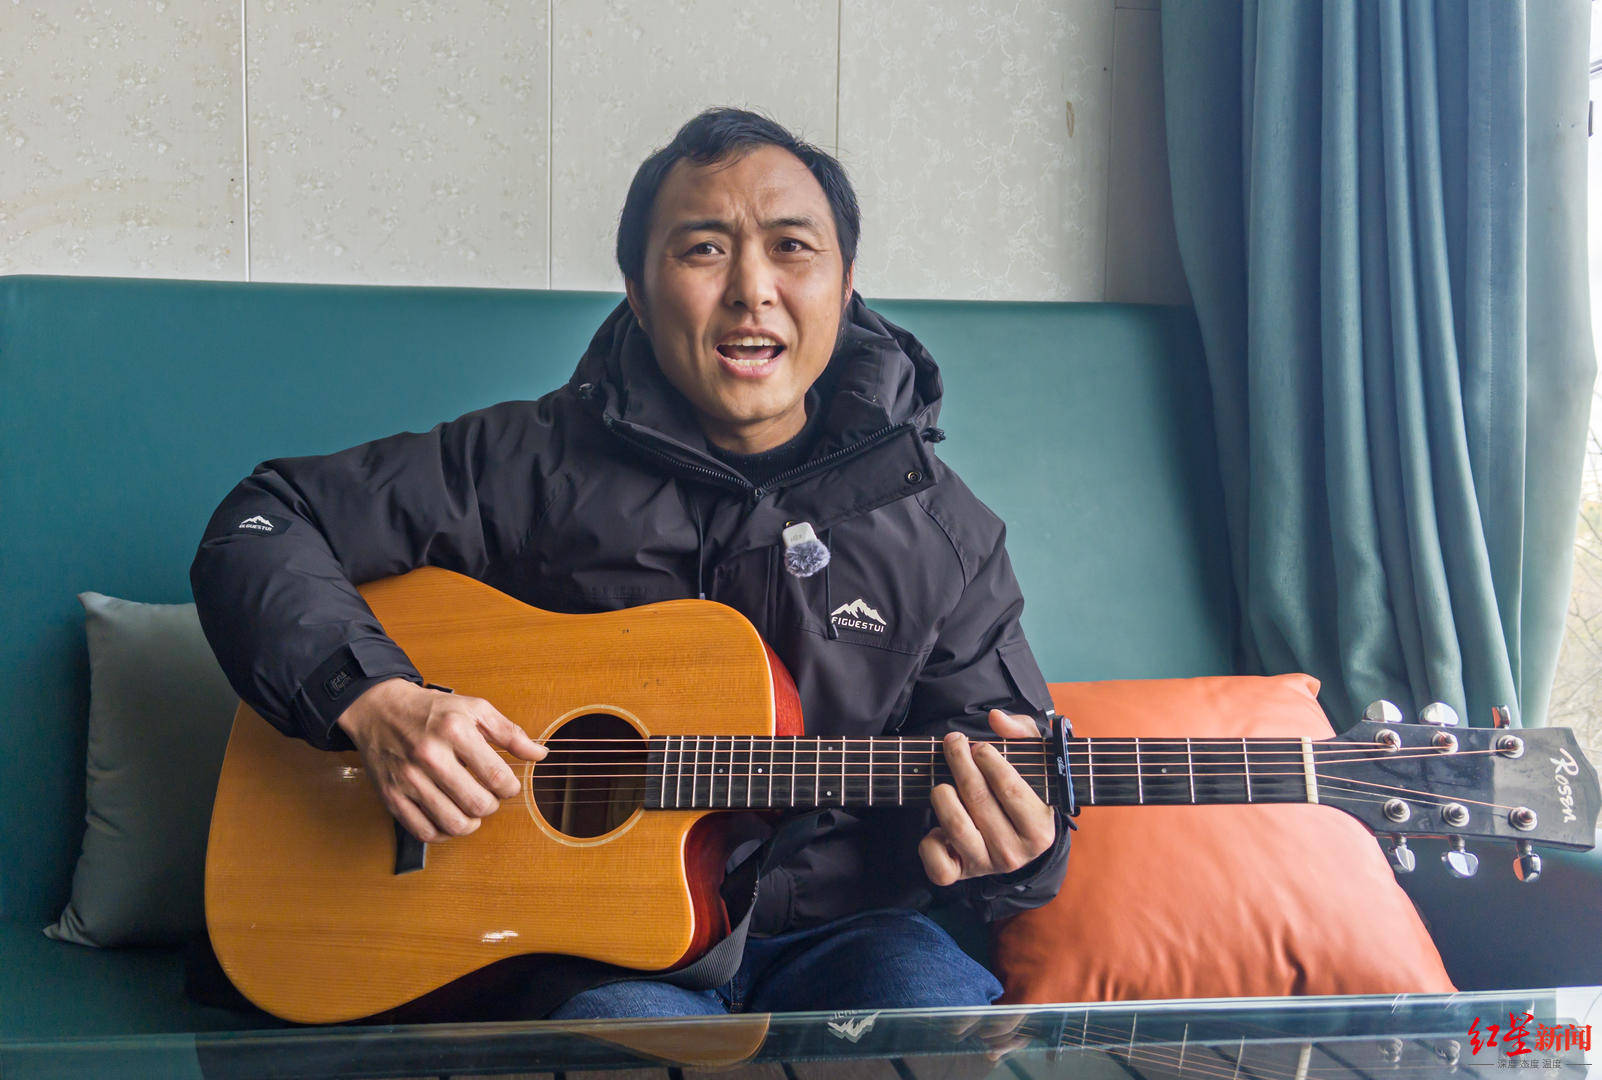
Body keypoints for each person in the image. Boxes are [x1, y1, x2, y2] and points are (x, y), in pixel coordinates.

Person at [191, 107, 1069, 1020]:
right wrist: (375, 700)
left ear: (846, 285)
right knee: (623, 1040)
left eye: (793, 248)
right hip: (590, 951)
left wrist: (1023, 851)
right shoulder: (526, 464)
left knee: (932, 1022)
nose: (753, 290)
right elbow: (263, 520)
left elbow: (1005, 777)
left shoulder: (948, 536)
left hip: (846, 937)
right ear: (638, 294)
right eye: (704, 249)